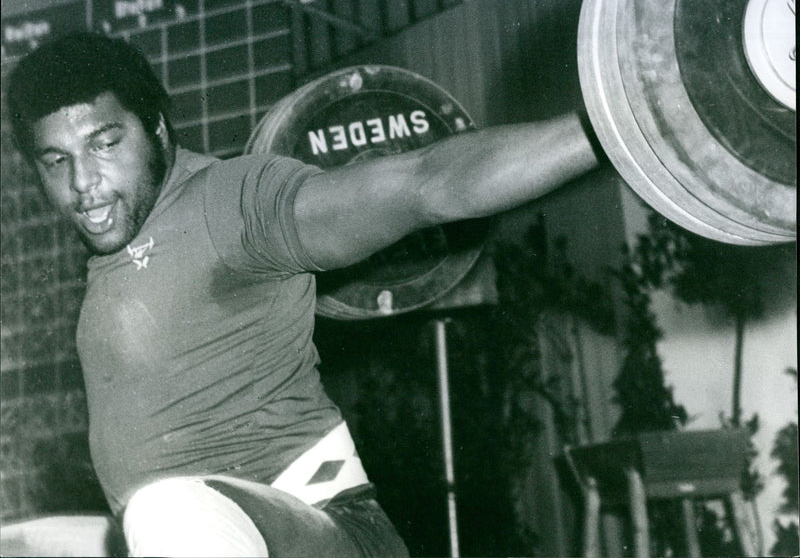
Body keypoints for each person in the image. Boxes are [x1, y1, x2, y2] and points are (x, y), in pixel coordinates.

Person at [5, 31, 598, 557]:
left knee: (168, 510)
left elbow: (422, 184)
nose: (84, 185)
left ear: (157, 128)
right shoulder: (117, 256)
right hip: (192, 531)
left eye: (106, 144)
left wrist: (604, 132)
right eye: (57, 161)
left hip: (322, 527)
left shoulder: (233, 202)